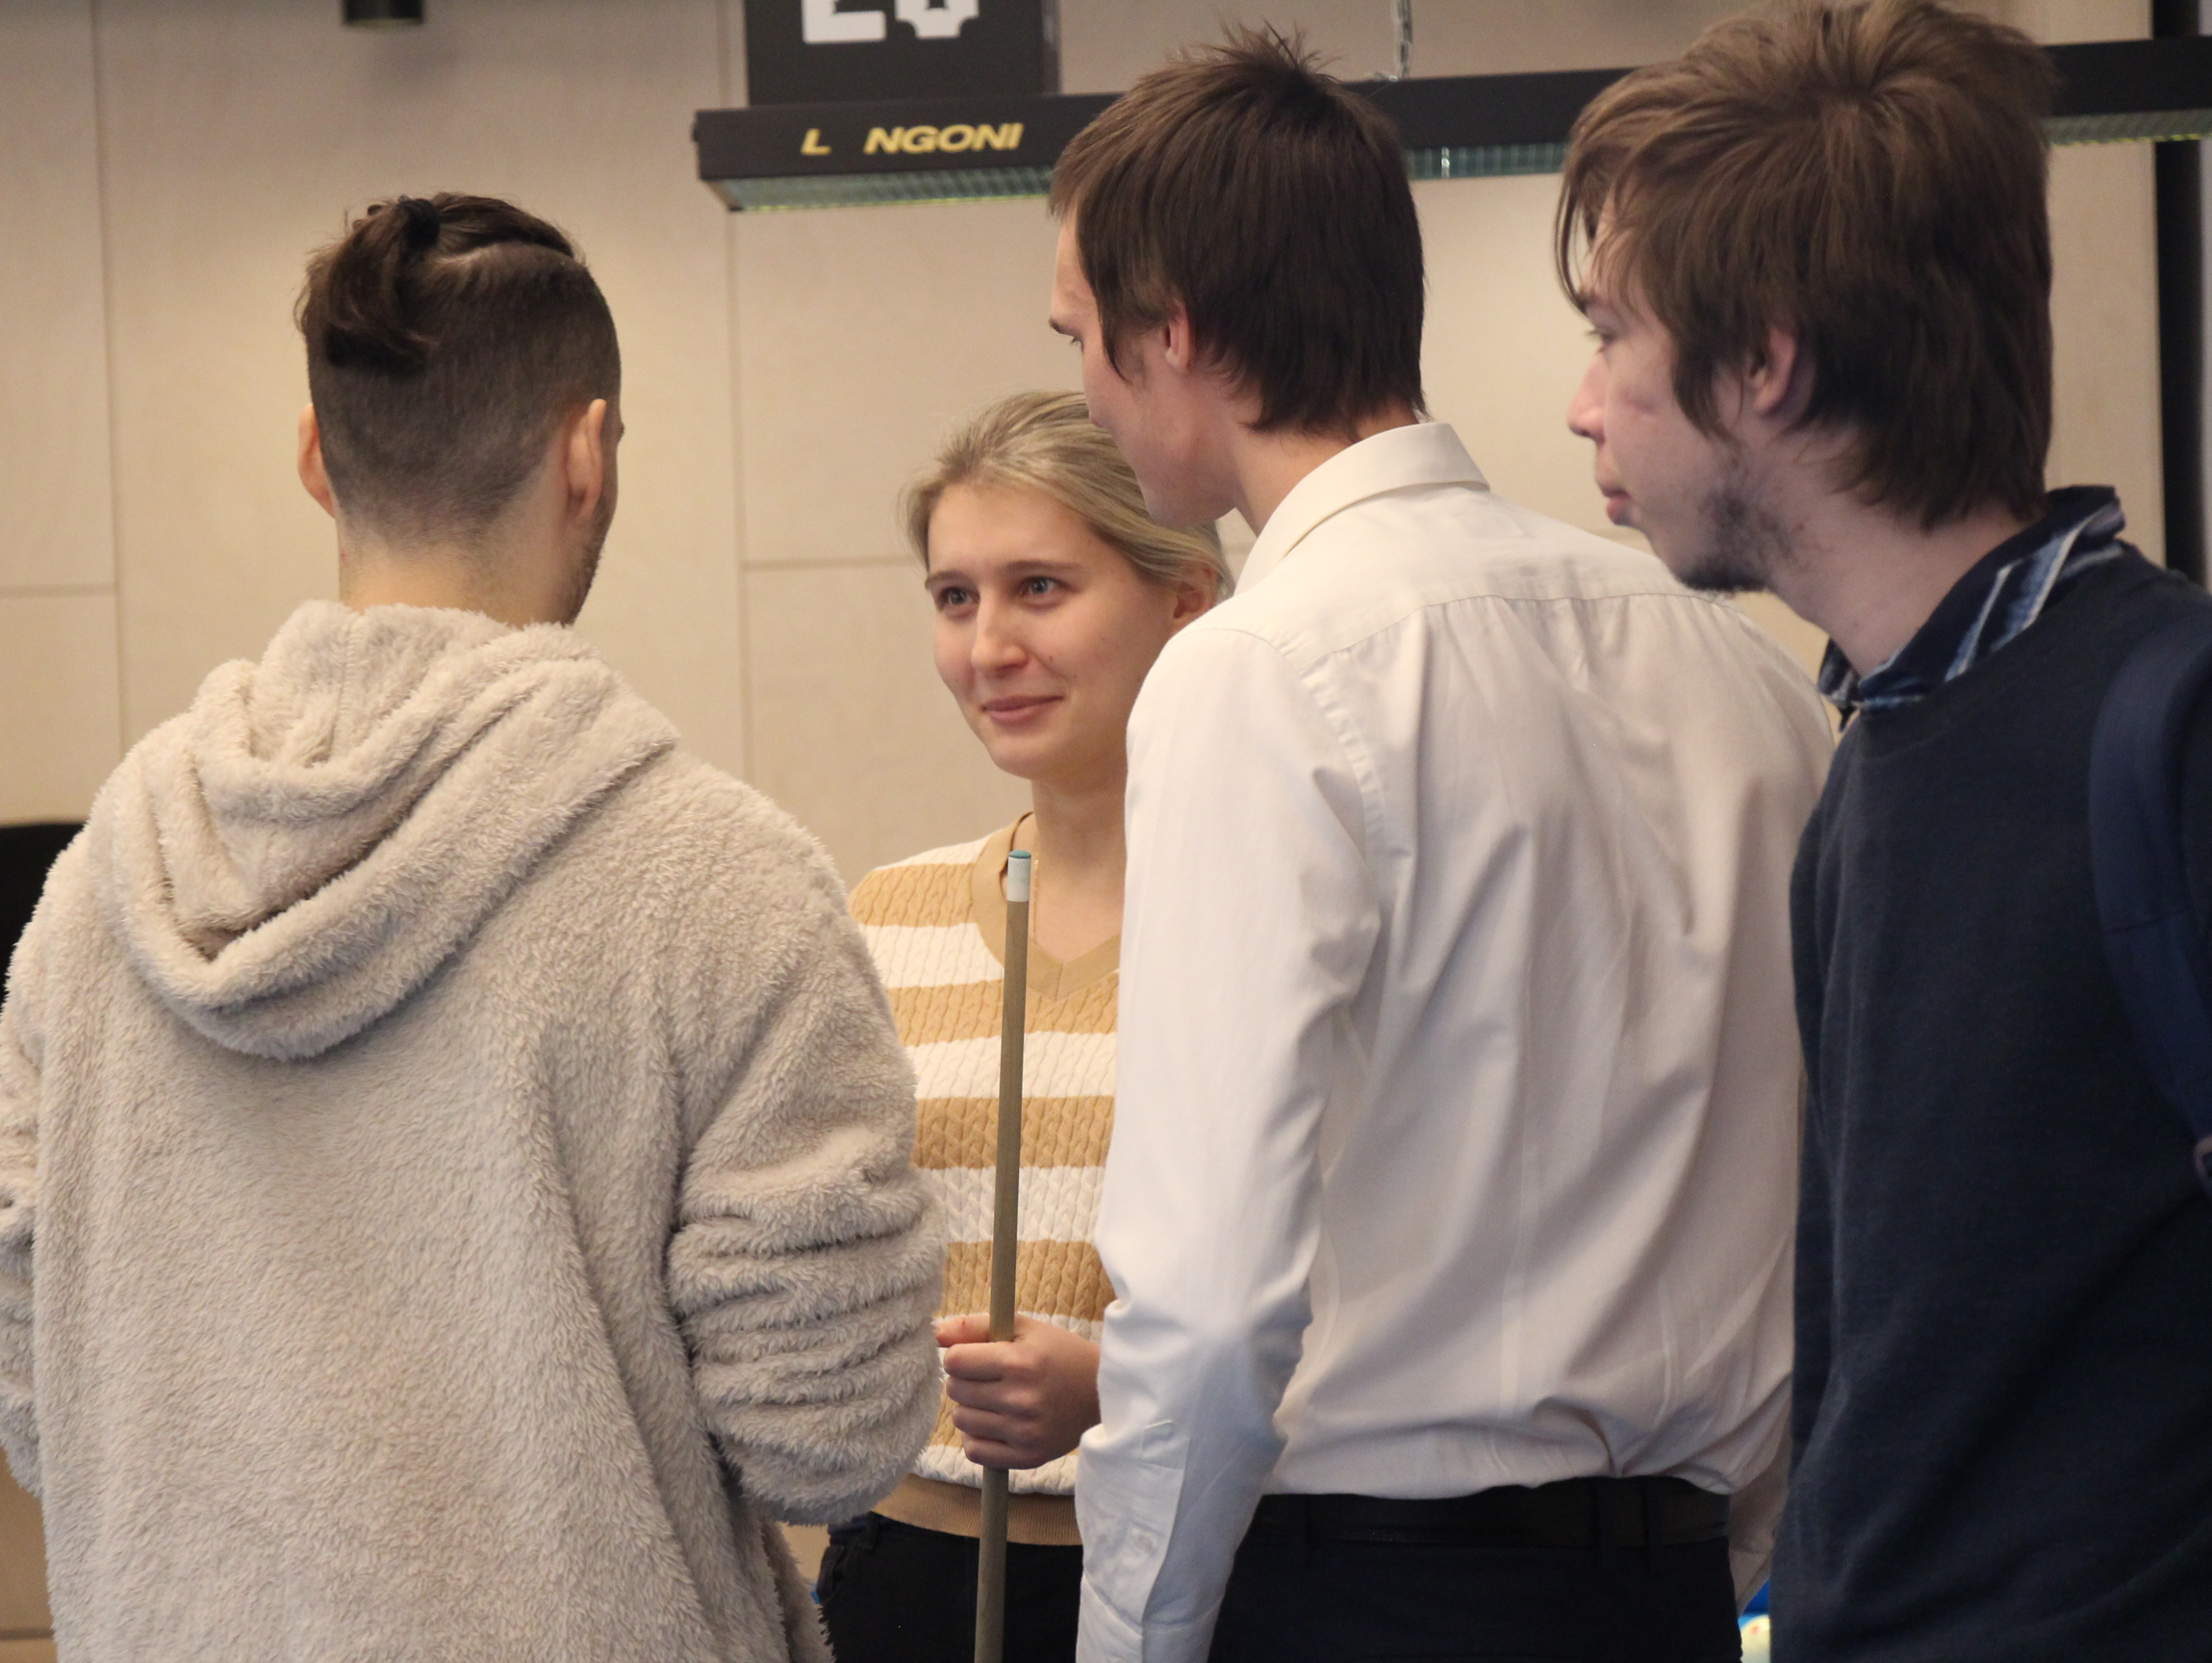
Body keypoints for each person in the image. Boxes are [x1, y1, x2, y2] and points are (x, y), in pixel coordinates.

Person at [0, 193, 942, 1663]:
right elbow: (829, 1434)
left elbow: (33, 1381)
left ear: (315, 457)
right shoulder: (721, 884)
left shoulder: (106, 886)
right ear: (587, 454)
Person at [1048, 32, 1835, 1663]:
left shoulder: (1258, 672)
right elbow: (1822, 1193)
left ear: (1172, 328)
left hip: (1373, 1588)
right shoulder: (1740, 667)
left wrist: (1133, 1641)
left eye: (1081, 342)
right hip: (1674, 1590)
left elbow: (1209, 1298)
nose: (1088, 395)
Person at [1560, 4, 2212, 1657]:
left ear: (1763, 364)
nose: (1583, 405)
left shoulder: (2167, 726)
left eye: (1614, 334)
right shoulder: (1879, 747)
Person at [825, 391, 1227, 1663]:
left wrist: (1112, 1387)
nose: (988, 647)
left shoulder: (1267, 922)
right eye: (956, 598)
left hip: (1182, 1565)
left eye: (1039, 589)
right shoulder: (887, 915)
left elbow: (1361, 1300)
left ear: (1187, 600)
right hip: (900, 1572)